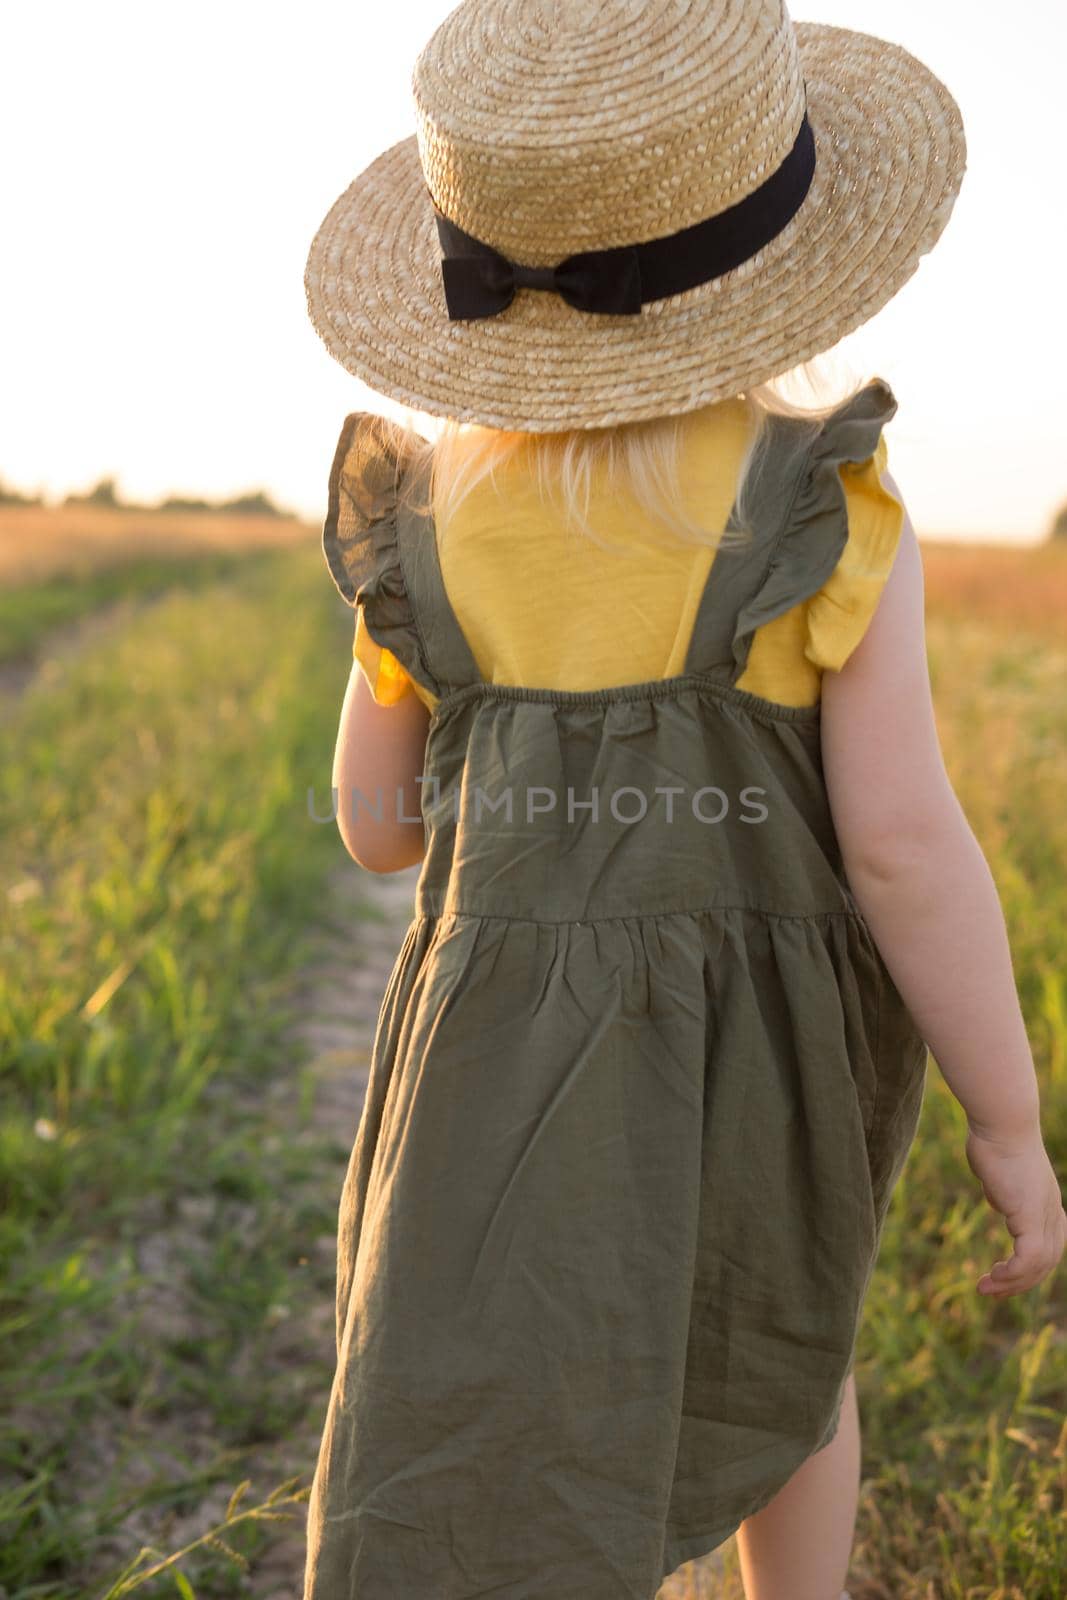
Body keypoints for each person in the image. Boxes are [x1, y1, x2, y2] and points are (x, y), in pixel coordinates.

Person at [300, 3, 1066, 1597]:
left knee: (500, 1375)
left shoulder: (426, 523)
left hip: (491, 1060)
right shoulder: (823, 505)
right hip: (752, 1054)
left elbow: (375, 829)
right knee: (780, 1359)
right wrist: (1008, 1119)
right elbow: (905, 847)